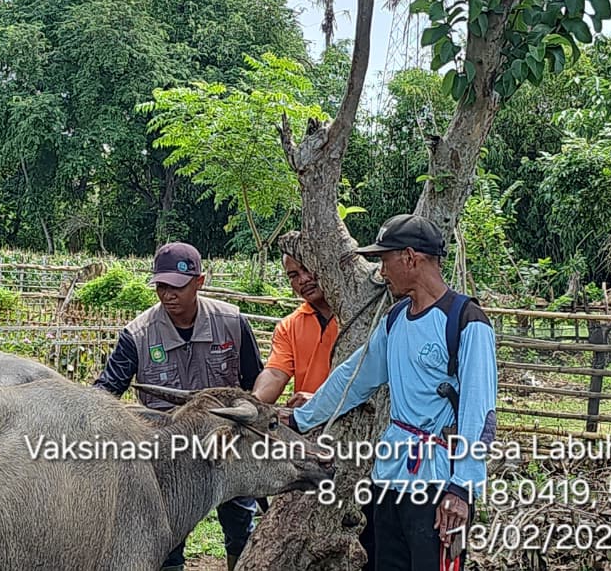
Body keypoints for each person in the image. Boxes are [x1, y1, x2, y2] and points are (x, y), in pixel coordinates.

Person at [284, 214, 498, 571]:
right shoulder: (396, 320)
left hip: (437, 481)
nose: (381, 272)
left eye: (385, 260)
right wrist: (301, 418)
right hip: (389, 475)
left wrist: (461, 489)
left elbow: (480, 413)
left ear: (410, 258)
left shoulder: (465, 321)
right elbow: (352, 378)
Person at [93, 241, 265, 571]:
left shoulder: (231, 323)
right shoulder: (138, 334)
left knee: (240, 530)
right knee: (166, 539)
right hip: (167, 454)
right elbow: (106, 390)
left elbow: (255, 381)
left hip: (226, 445)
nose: (168, 295)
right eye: (161, 286)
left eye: (177, 286)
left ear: (199, 282)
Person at [251, 253, 340, 407]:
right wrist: (254, 404)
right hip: (309, 422)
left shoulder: (359, 317)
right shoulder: (289, 326)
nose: (303, 279)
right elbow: (275, 373)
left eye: (308, 269)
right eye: (293, 275)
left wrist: (321, 401)